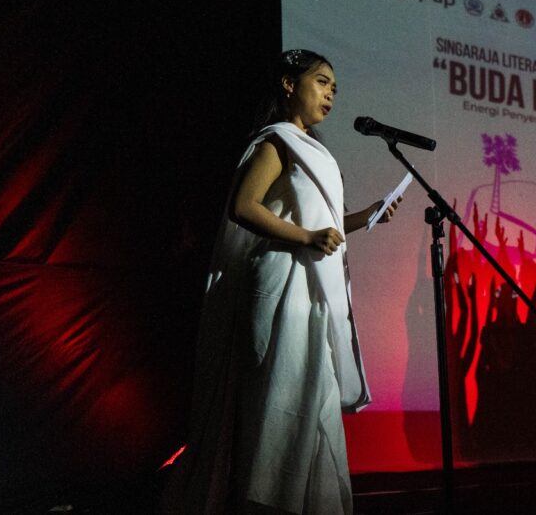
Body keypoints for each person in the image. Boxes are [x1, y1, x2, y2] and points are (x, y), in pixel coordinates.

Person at [162, 49, 401, 514]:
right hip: (280, 289)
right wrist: (307, 237)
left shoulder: (316, 150)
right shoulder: (277, 141)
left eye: (335, 87)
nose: (331, 93)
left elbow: (324, 227)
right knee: (277, 405)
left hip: (312, 291)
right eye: (322, 82)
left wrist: (366, 216)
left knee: (314, 406)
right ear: (289, 84)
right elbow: (244, 206)